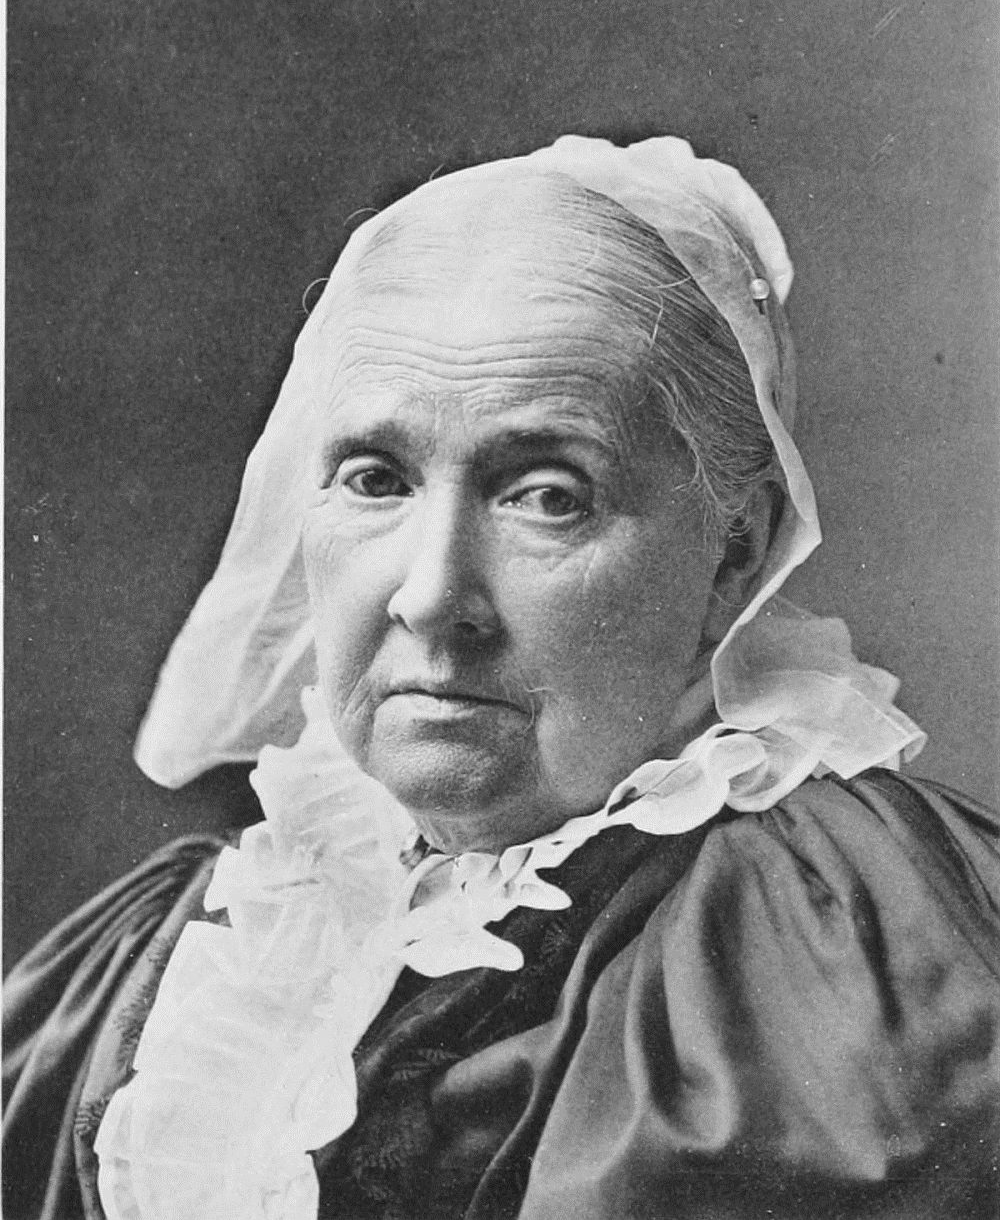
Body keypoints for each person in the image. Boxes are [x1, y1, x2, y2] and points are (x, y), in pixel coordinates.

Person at [4, 136, 998, 1220]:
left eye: (546, 495)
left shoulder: (822, 951)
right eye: (375, 480)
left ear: (734, 553)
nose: (431, 595)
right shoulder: (185, 949)